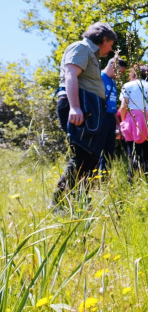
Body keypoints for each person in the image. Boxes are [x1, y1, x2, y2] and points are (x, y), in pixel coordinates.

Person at [52, 22, 117, 208]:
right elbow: (70, 75)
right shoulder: (81, 47)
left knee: (92, 156)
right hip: (80, 106)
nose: (110, 49)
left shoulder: (92, 55)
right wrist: (75, 107)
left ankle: (80, 201)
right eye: (110, 44)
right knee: (82, 155)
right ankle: (59, 202)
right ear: (103, 39)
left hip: (88, 107)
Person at [119, 65, 148, 180]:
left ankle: (131, 181)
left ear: (134, 74)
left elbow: (123, 107)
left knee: (132, 154)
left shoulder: (127, 86)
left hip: (132, 121)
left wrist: (123, 121)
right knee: (147, 155)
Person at [98, 57, 128, 173]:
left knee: (109, 152)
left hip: (110, 119)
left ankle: (104, 180)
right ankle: (91, 180)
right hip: (101, 118)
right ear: (113, 66)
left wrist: (118, 124)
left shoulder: (113, 82)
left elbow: (113, 107)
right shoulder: (100, 78)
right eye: (120, 72)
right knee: (97, 150)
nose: (120, 75)